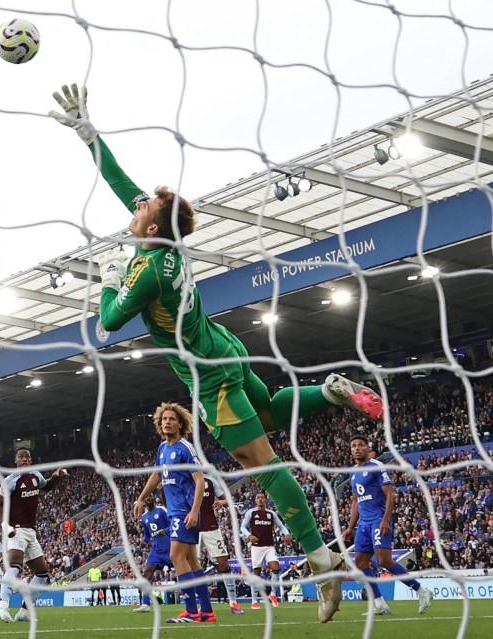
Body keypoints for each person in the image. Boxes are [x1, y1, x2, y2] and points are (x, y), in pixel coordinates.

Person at [50, 82, 386, 624]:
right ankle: (327, 390)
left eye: (143, 211)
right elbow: (121, 184)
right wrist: (89, 133)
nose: (133, 211)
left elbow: (109, 323)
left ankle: (323, 563)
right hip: (227, 347)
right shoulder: (167, 248)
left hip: (209, 377)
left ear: (152, 227)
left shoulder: (144, 278)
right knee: (274, 411)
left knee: (263, 467)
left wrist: (109, 279)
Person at [134, 403, 216, 624]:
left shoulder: (185, 448)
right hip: (175, 512)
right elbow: (157, 475)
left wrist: (194, 510)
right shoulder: (163, 449)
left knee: (175, 557)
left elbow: (200, 481)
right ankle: (207, 612)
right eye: (164, 419)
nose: (167, 422)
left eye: (171, 419)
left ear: (180, 423)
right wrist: (142, 497)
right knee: (192, 561)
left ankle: (190, 612)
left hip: (184, 512)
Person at [343, 434, 433, 615]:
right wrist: (351, 527)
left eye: (361, 445)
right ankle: (379, 604)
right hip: (363, 523)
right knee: (360, 563)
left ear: (367, 448)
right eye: (353, 446)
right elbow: (355, 501)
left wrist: (385, 520)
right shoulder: (353, 472)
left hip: (378, 519)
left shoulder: (377, 466)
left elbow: (390, 495)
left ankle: (422, 591)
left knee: (384, 560)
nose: (357, 448)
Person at [0, 447, 69, 623]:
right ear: (16, 460)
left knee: (42, 575)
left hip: (31, 532)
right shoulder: (11, 480)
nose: (25, 459)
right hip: (16, 529)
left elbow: (47, 486)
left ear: (31, 460)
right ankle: (2, 606)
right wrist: (5, 525)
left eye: (27, 457)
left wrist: (56, 476)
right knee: (15, 566)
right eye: (21, 457)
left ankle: (24, 612)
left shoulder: (36, 476)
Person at [198, 474, 244, 614]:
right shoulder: (185, 479)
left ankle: (233, 603)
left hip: (211, 526)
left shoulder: (211, 480)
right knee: (195, 566)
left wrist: (222, 503)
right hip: (192, 528)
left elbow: (228, 500)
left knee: (223, 563)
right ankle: (202, 605)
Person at [240, 492, 293, 609]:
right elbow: (242, 527)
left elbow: (281, 526)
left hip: (269, 546)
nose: (260, 500)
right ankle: (254, 601)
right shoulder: (251, 513)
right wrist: (249, 536)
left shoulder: (271, 514)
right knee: (257, 573)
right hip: (256, 547)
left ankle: (273, 594)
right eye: (258, 498)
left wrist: (287, 534)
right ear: (255, 500)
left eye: (262, 498)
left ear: (266, 500)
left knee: (276, 567)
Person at [133, 494, 174, 613]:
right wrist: (144, 542)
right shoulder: (144, 517)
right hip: (156, 550)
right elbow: (147, 535)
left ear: (154, 498)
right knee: (147, 573)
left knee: (183, 574)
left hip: (170, 547)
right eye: (146, 498)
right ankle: (145, 604)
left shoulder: (161, 510)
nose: (148, 498)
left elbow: (174, 523)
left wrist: (165, 531)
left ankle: (196, 600)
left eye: (150, 496)